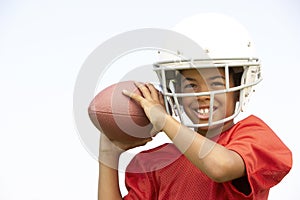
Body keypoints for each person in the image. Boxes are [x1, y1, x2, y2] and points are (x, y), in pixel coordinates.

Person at [98, 13, 292, 200]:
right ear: (176, 92)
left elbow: (220, 166)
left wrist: (165, 120)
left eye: (216, 83)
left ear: (238, 87)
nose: (204, 95)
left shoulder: (254, 135)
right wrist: (108, 154)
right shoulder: (156, 162)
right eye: (191, 85)